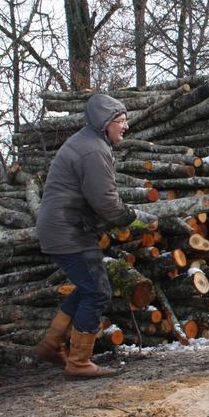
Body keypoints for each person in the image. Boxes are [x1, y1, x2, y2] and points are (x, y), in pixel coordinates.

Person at [35, 94, 158, 379]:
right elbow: (106, 203)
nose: (125, 126)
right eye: (121, 121)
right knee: (97, 291)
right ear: (105, 122)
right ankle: (78, 362)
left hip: (66, 227)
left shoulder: (89, 143)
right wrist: (135, 218)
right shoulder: (93, 150)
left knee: (87, 287)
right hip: (69, 230)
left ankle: (52, 344)